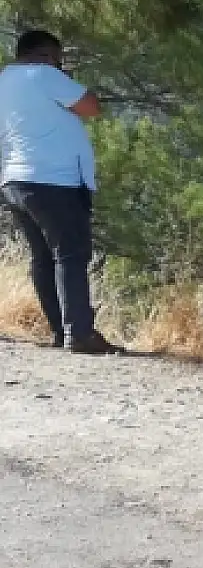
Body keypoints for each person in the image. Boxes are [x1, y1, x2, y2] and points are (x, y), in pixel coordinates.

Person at [0, 29, 121, 354]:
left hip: (14, 180)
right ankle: (79, 333)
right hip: (53, 181)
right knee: (70, 254)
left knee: (42, 258)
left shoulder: (4, 80)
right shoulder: (44, 75)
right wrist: (60, 76)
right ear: (47, 55)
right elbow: (92, 107)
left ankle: (61, 330)